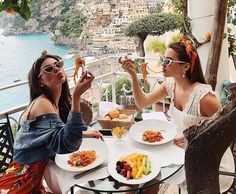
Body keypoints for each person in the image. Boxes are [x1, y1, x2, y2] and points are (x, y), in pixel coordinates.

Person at [119, 38, 234, 193]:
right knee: (148, 171)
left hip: (210, 164)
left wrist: (192, 141)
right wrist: (133, 75)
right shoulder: (170, 85)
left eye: (168, 61)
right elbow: (142, 103)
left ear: (185, 66)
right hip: (183, 151)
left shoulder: (204, 98)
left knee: (153, 172)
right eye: (162, 59)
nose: (162, 65)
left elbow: (228, 130)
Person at [0, 51, 103, 193]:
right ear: (40, 81)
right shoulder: (43, 103)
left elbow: (54, 135)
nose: (56, 69)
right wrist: (77, 96)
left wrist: (84, 133)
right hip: (19, 183)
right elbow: (67, 144)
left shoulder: (51, 102)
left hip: (32, 181)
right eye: (48, 69)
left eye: (58, 64)